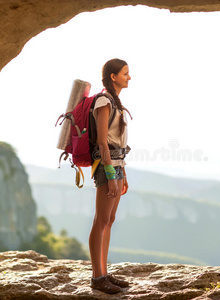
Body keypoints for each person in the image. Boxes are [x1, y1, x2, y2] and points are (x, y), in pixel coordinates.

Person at [89, 58, 131, 294]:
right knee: (101, 220)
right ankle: (97, 278)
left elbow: (118, 144)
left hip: (117, 165)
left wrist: (123, 173)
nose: (129, 77)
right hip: (107, 166)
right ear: (113, 76)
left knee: (109, 220)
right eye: (125, 73)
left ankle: (104, 273)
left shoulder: (116, 101)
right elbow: (102, 141)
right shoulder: (104, 101)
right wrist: (111, 174)